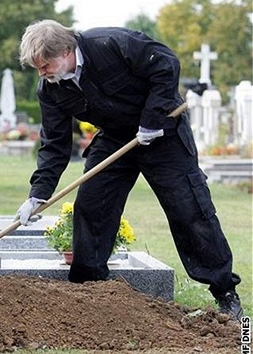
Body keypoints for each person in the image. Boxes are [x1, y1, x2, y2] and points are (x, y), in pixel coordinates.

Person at [15, 19, 243, 320]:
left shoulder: (110, 44)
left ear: (67, 50)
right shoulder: (51, 89)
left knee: (189, 209)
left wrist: (152, 118)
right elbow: (55, 144)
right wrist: (38, 195)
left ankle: (224, 291)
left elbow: (165, 64)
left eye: (45, 65)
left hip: (163, 133)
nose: (42, 73)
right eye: (37, 68)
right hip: (115, 139)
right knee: (91, 206)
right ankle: (90, 289)